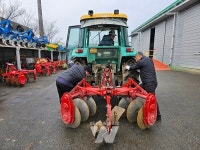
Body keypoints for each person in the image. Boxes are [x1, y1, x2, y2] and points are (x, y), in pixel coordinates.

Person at [125, 51, 161, 121]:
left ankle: (158, 116)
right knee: (136, 89)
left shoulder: (142, 62)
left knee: (152, 99)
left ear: (139, 56)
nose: (135, 59)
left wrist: (127, 67)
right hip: (147, 83)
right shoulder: (148, 60)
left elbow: (134, 68)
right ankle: (133, 105)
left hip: (149, 84)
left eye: (136, 58)